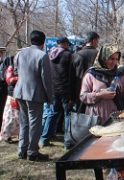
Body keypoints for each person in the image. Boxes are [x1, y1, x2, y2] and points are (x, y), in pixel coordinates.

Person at [14, 30, 53, 161]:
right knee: (35, 123)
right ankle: (32, 152)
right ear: (43, 42)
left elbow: (15, 71)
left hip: (20, 92)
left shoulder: (19, 53)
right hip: (35, 94)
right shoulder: (42, 56)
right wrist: (50, 97)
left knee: (24, 122)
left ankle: (22, 150)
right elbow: (46, 80)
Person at [39, 37, 75, 150]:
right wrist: (72, 94)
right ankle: (67, 143)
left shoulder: (49, 55)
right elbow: (72, 75)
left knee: (52, 113)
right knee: (68, 115)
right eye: (68, 44)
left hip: (53, 90)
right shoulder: (68, 55)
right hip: (65, 90)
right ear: (64, 44)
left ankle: (44, 139)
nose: (69, 46)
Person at [80, 44, 124, 124]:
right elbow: (83, 96)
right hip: (96, 118)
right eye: (111, 58)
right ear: (103, 58)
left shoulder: (119, 74)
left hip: (116, 118)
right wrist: (99, 95)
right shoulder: (92, 74)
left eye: (116, 59)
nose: (114, 62)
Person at [72, 31, 100, 110]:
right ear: (94, 41)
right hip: (95, 91)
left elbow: (71, 76)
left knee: (80, 117)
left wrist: (71, 96)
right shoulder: (99, 55)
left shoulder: (76, 55)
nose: (97, 43)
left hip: (79, 90)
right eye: (97, 41)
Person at [0, 54, 19, 143]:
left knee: (17, 116)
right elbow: (9, 80)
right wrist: (20, 78)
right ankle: (6, 135)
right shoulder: (11, 68)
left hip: (17, 94)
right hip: (12, 94)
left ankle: (18, 134)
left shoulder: (18, 67)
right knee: (10, 116)